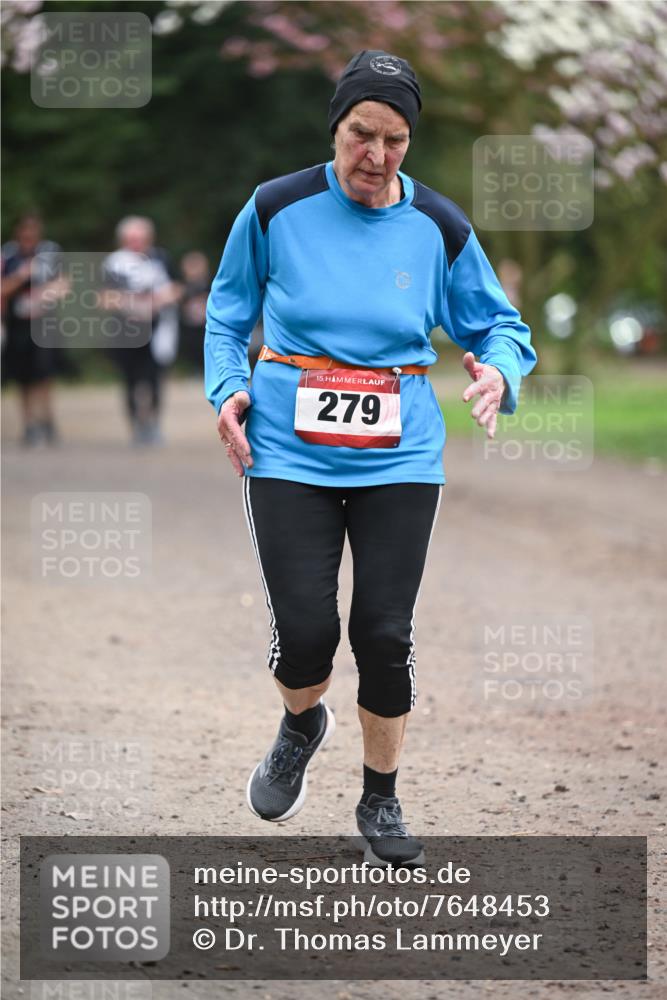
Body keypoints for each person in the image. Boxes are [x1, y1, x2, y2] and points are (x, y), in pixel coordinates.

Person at [205, 50, 537, 866]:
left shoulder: (439, 226)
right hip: (287, 449)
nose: (376, 156)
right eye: (361, 135)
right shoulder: (275, 206)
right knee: (306, 634)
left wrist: (499, 371)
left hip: (399, 454)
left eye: (395, 140)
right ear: (335, 126)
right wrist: (226, 389)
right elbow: (226, 314)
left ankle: (380, 797)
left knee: (384, 633)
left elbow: (501, 326)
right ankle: (299, 723)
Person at [102, 216, 181, 445]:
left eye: (141, 239)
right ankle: (137, 425)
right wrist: (129, 304)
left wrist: (159, 300)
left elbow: (176, 288)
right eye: (132, 239)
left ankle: (154, 424)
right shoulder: (114, 263)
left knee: (154, 379)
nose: (137, 244)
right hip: (126, 331)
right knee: (130, 380)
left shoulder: (160, 258)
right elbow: (104, 298)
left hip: (157, 330)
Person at [1, 214, 69, 446]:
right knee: (22, 377)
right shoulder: (8, 255)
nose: (28, 237)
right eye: (24, 233)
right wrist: (21, 276)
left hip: (44, 322)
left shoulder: (50, 252)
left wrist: (46, 294)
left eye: (33, 233)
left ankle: (47, 420)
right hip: (18, 324)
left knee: (45, 374)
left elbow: (64, 284)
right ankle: (29, 423)